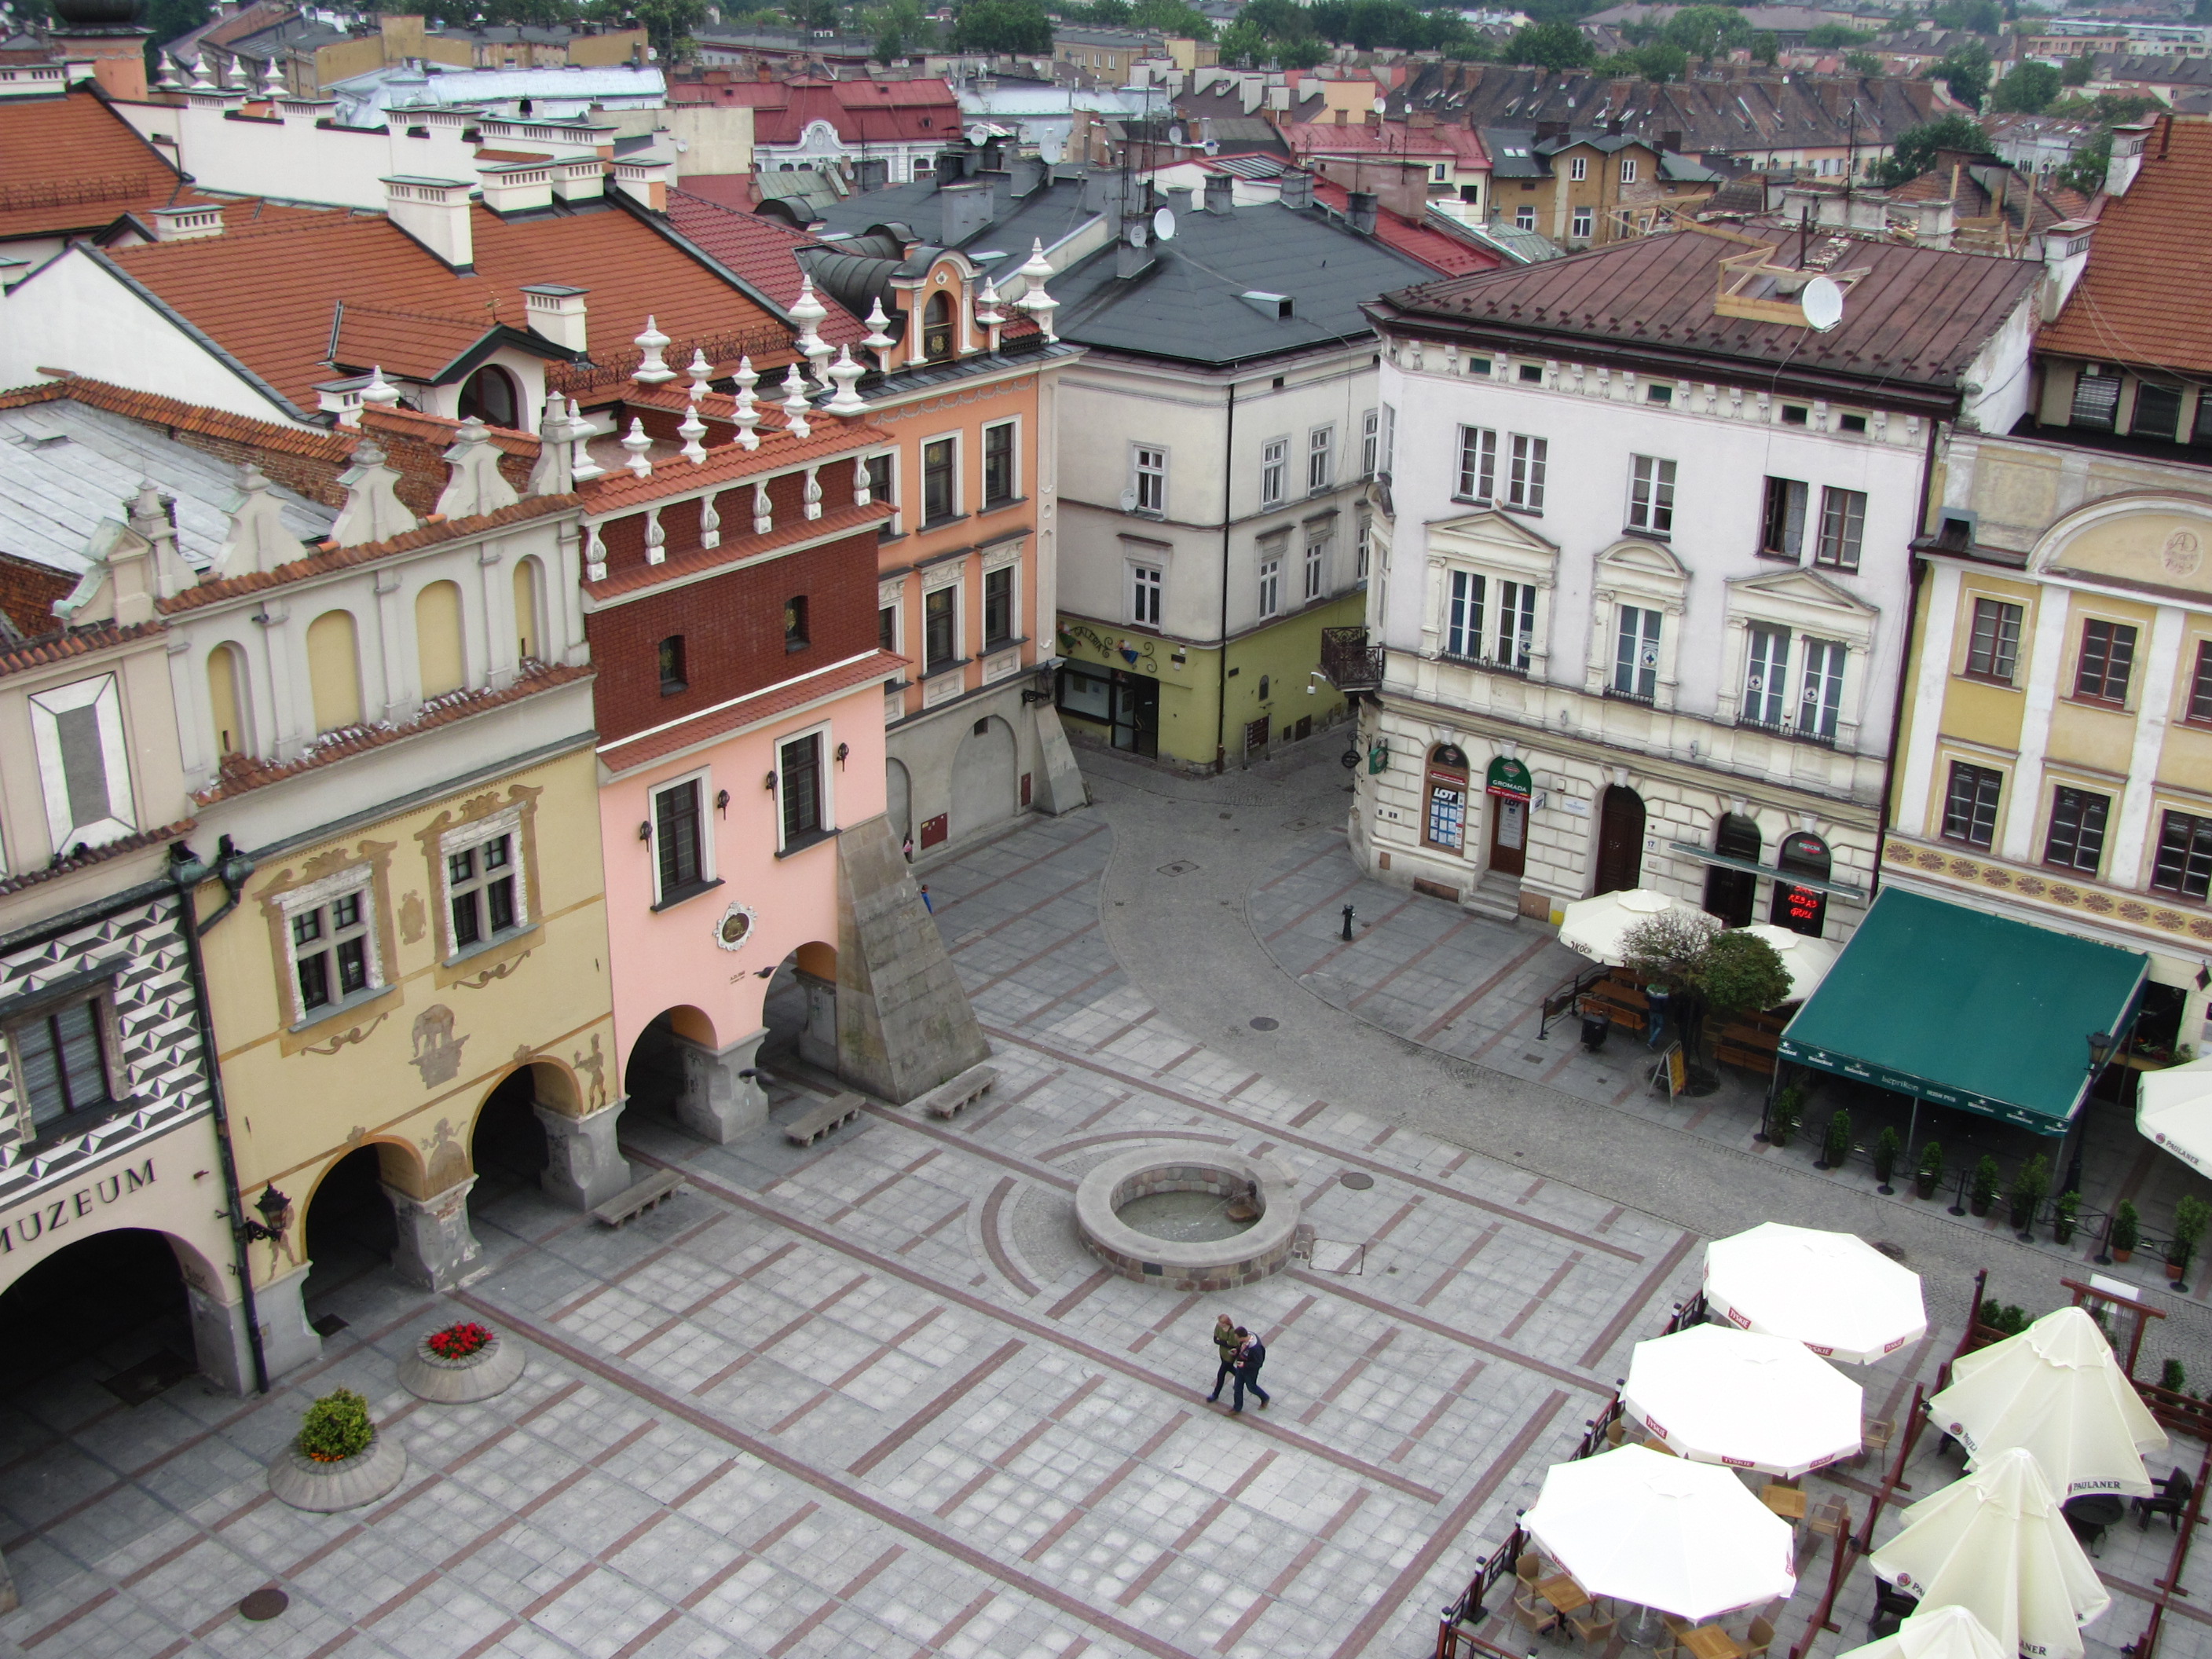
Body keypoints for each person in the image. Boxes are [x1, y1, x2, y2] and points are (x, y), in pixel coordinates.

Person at [1230, 1326, 1269, 1414]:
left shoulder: (1255, 1348)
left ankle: (1265, 1398)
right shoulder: (1245, 1339)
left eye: (1237, 1338)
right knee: (1237, 1387)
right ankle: (1237, 1408)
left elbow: (1258, 1363)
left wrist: (1245, 1365)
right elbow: (1242, 1348)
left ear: (1242, 1337)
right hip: (1241, 1367)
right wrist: (1237, 1350)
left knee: (1251, 1387)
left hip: (1250, 1371)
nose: (1236, 1340)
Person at [1206, 1314, 1242, 1403]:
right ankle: (1241, 1377)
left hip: (1230, 1356)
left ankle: (1215, 1394)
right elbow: (1215, 1340)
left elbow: (1233, 1345)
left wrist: (1222, 1342)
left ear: (1226, 1323)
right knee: (1230, 1368)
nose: (1219, 1324)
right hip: (1222, 1353)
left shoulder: (1232, 1331)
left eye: (1221, 1323)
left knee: (1221, 1374)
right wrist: (1225, 1343)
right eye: (1219, 1322)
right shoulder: (1218, 1327)